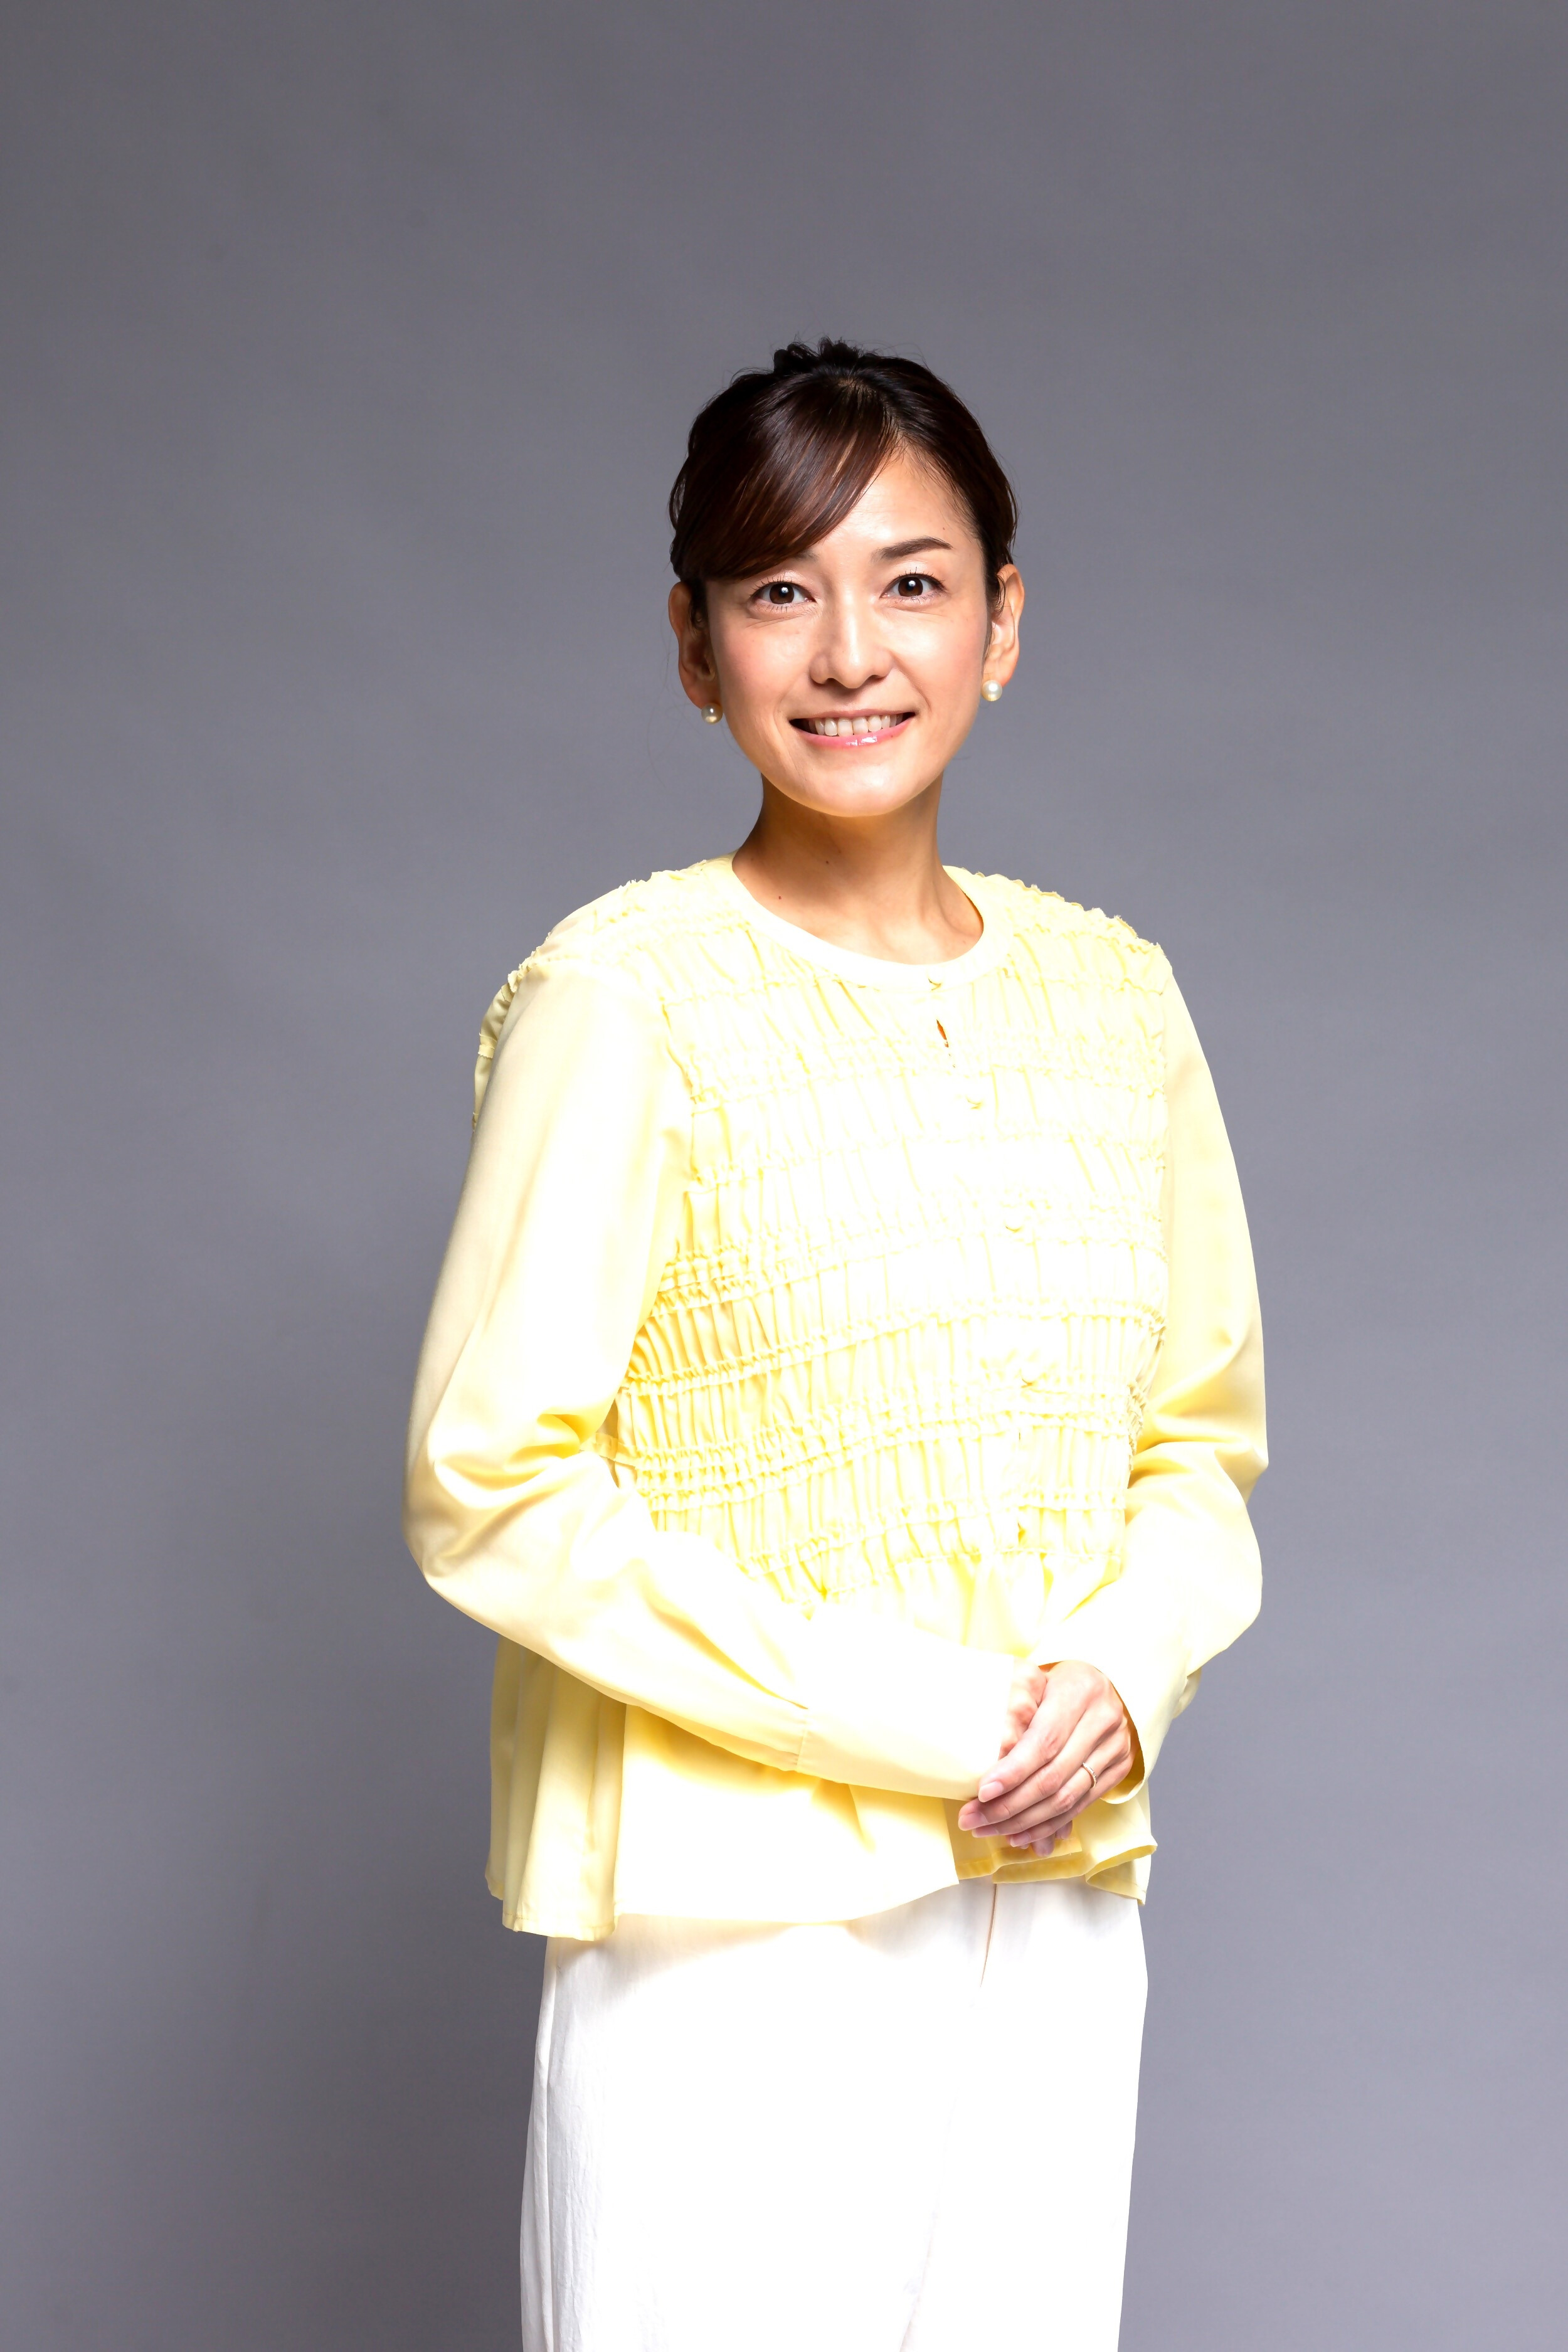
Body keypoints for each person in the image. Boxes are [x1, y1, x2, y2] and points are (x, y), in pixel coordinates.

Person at [403, 338, 1266, 2352]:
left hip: (1050, 1894)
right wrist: (925, 1722)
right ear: (693, 647)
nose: (850, 650)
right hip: (729, 1919)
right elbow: (493, 1488)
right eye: (779, 589)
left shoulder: (1116, 999)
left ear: (1002, 623)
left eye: (912, 581)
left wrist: (1120, 1678)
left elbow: (1195, 1441)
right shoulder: (622, 999)